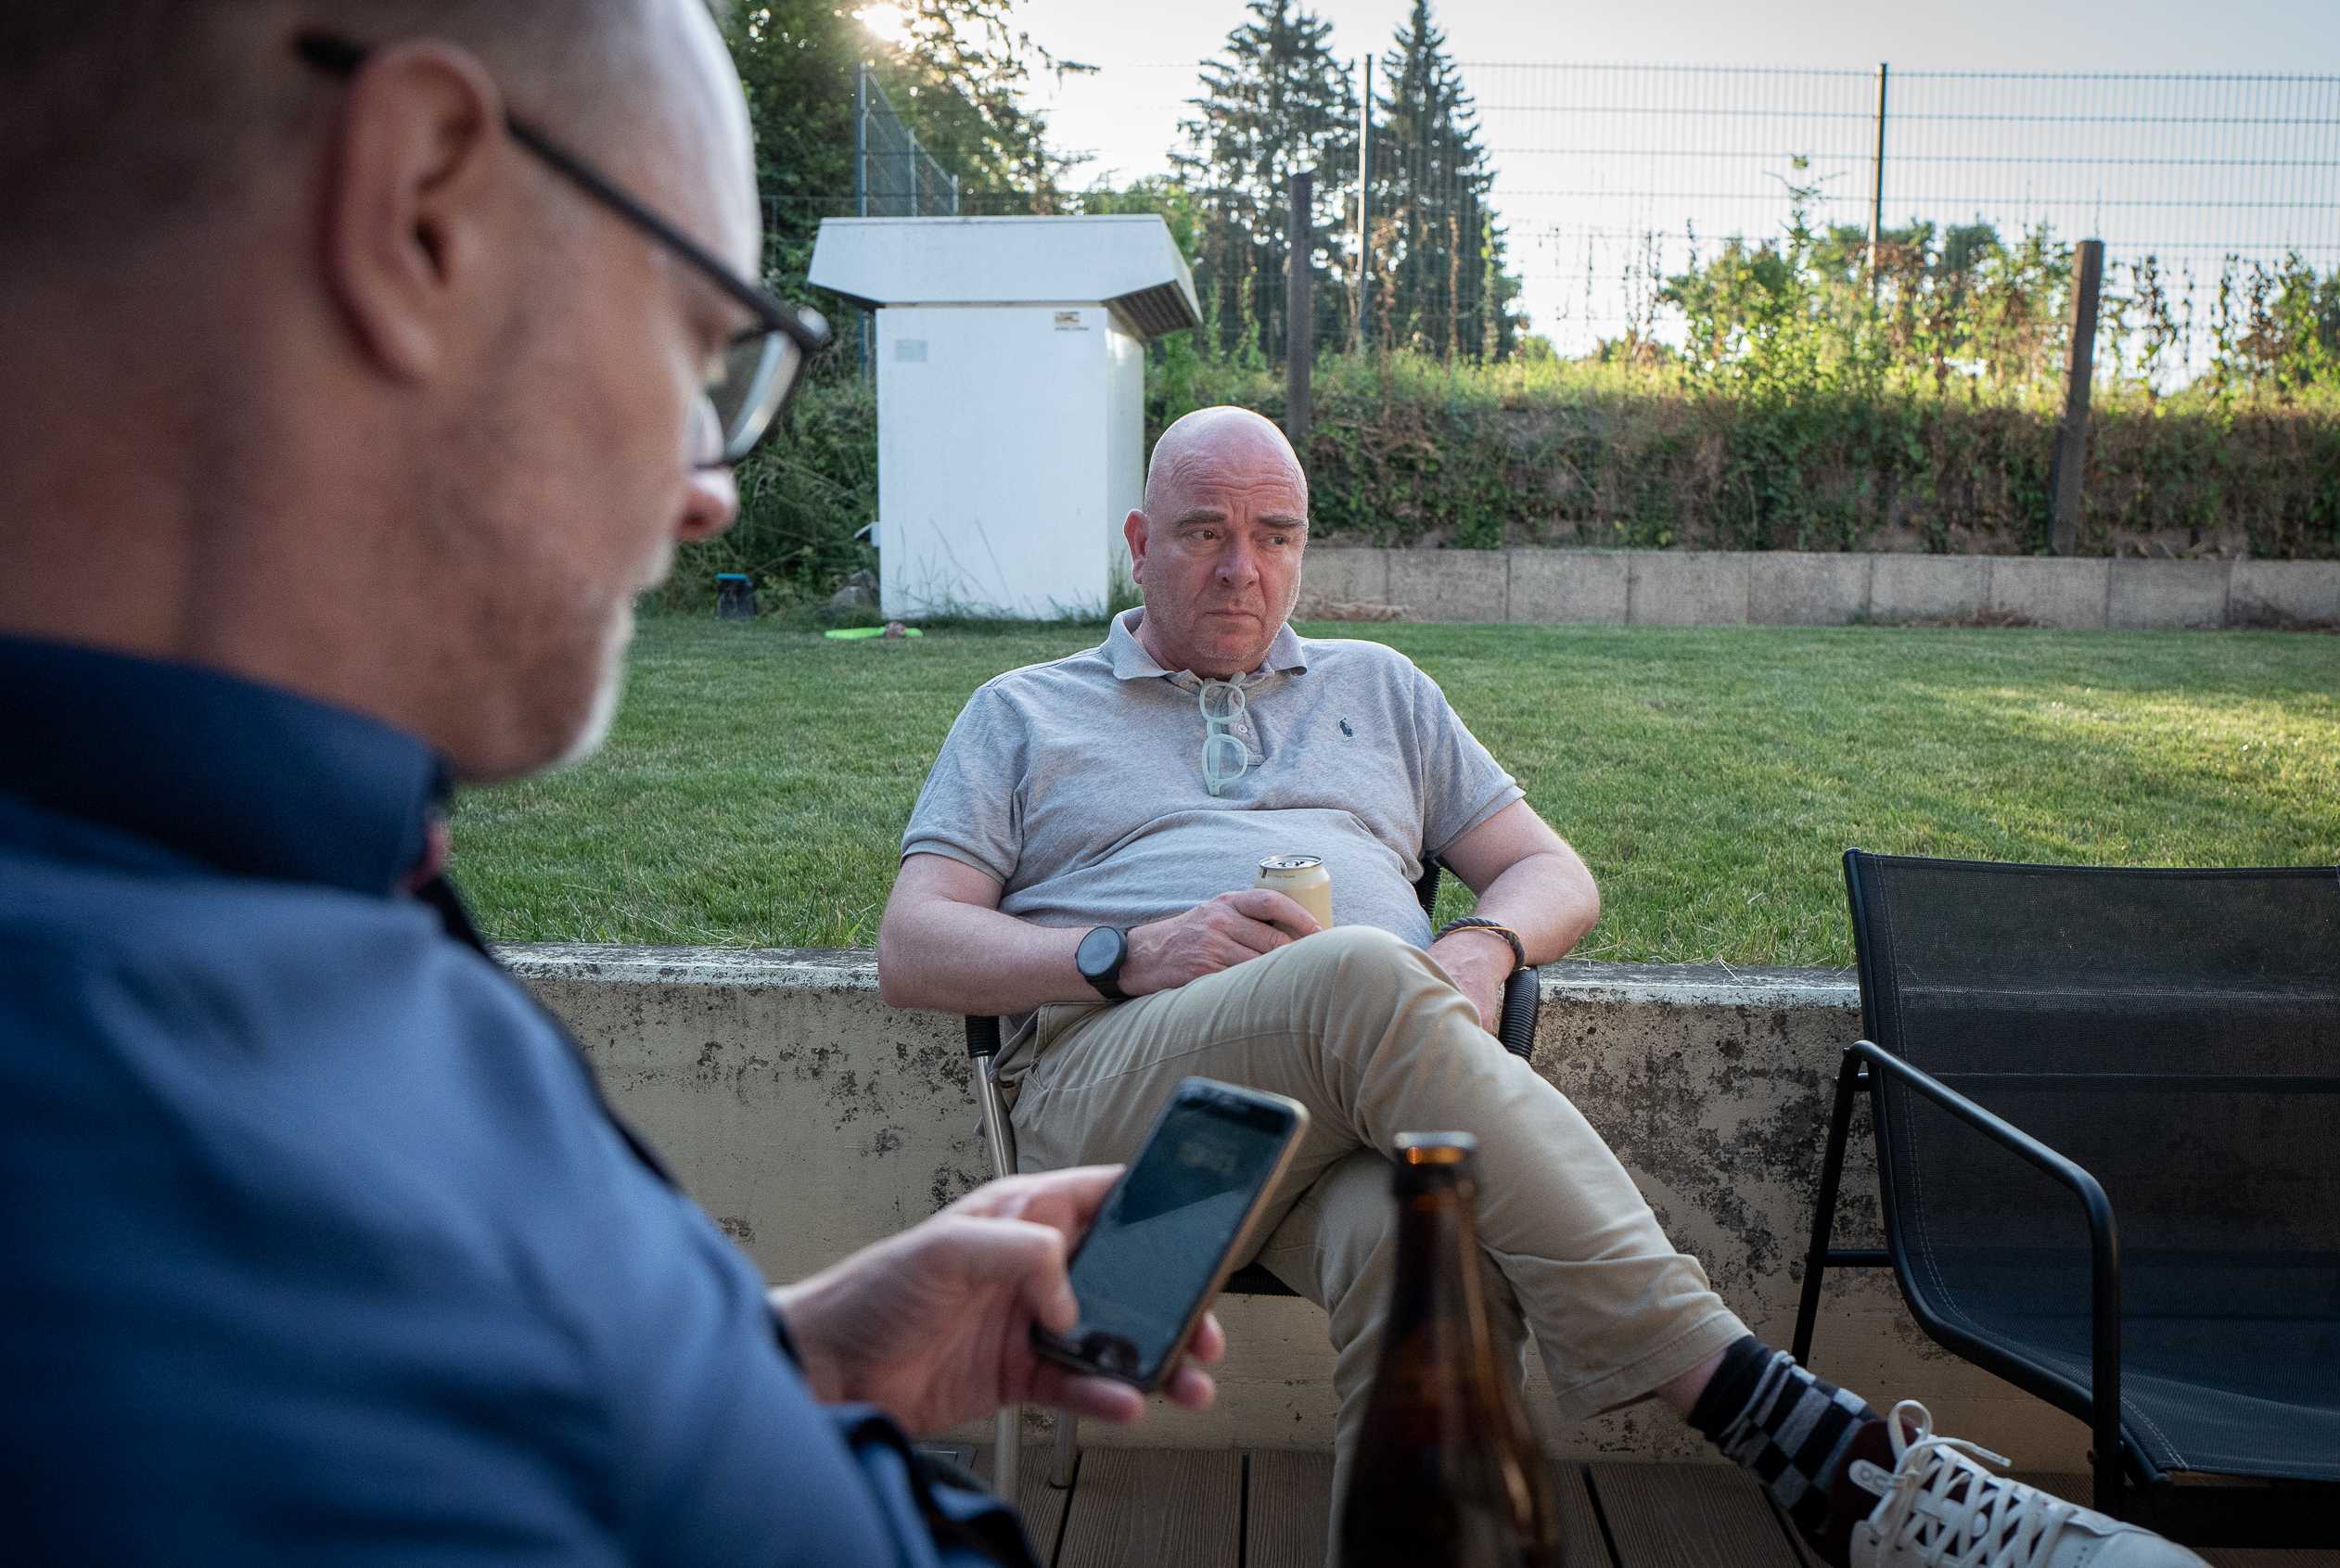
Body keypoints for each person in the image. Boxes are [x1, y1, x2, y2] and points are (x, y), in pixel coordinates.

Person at [0, 5, 1219, 1563]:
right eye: (701, 344)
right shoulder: (160, 1125)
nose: (712, 493)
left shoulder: (252, 874)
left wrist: (772, 1372)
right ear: (421, 210)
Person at [876, 405, 2203, 1568]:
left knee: (1434, 1245)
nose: (1243, 567)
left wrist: (1484, 948)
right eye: (1203, 533)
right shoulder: (1025, 711)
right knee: (1359, 979)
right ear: (1137, 541)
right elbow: (913, 946)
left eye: (1275, 535)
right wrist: (1122, 953)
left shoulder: (1379, 688)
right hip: (1135, 1159)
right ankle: (1796, 1431)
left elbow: (1552, 873)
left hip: (1337, 1107)